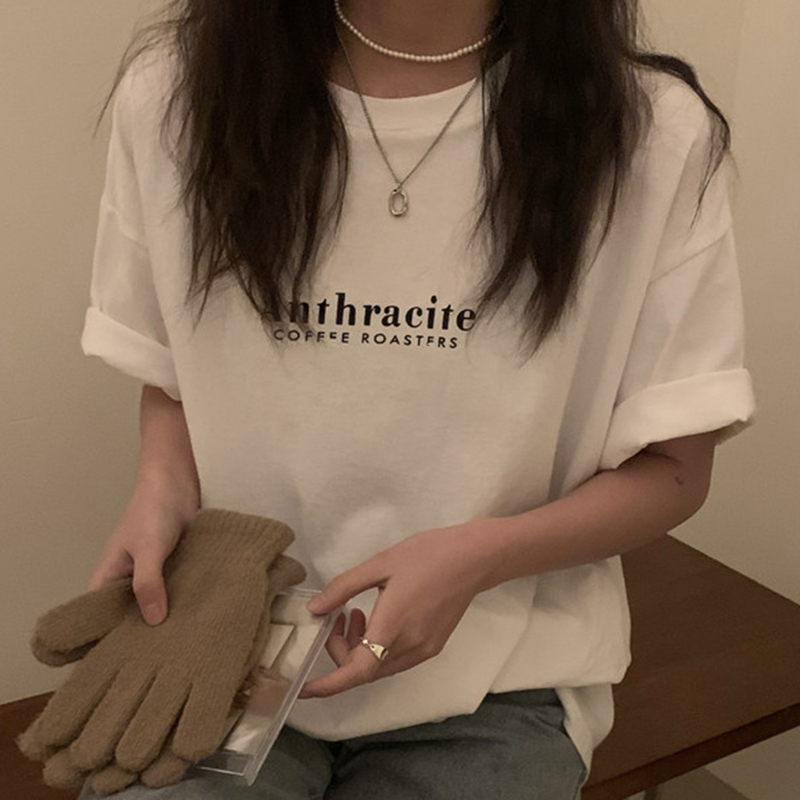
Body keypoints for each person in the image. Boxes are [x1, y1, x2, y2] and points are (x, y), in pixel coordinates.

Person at [75, 0, 755, 797]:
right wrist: (161, 489)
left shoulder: (653, 134)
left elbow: (675, 466)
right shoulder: (175, 96)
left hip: (499, 681)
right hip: (226, 643)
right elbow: (174, 369)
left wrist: (480, 557)